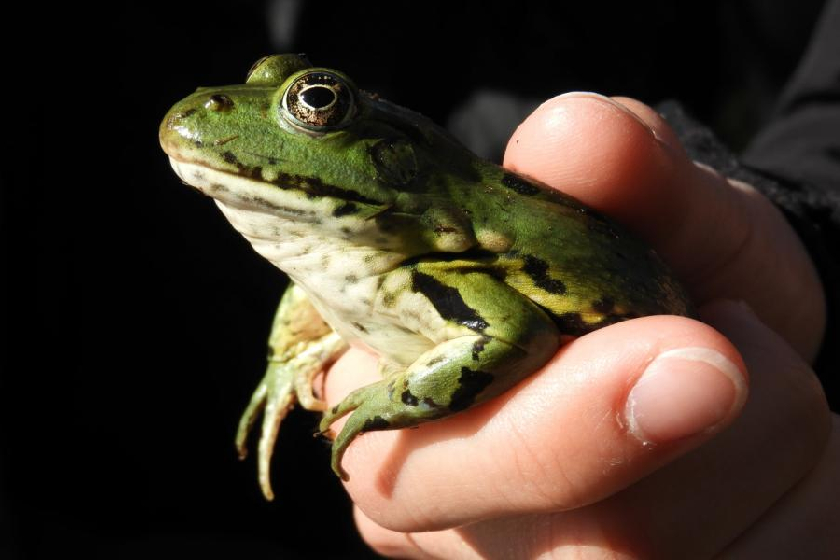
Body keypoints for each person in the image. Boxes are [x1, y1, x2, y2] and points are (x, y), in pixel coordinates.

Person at [318, 1, 840, 557]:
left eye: (314, 103)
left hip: (693, 348)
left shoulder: (436, 250)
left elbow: (510, 334)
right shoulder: (340, 237)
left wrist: (814, 240)